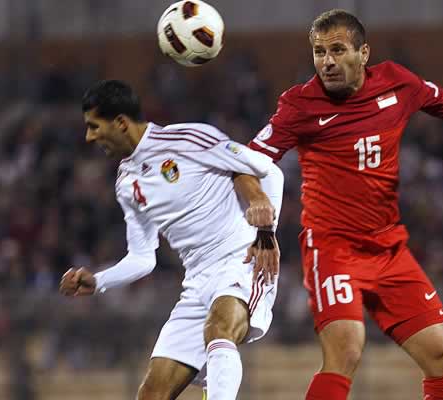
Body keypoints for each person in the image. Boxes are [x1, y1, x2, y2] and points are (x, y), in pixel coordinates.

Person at [247, 9, 443, 400]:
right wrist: (258, 202)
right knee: (347, 347)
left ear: (364, 53)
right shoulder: (299, 105)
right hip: (332, 249)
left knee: (441, 354)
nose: (326, 62)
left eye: (337, 50)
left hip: (387, 249)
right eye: (318, 52)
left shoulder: (397, 82)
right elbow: (247, 162)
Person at [58, 80, 284, 400]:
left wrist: (266, 233)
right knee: (152, 393)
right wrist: (99, 281)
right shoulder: (126, 183)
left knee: (219, 329)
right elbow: (142, 257)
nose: (89, 136)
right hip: (196, 282)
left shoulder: (189, 138)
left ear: (121, 123)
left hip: (241, 260)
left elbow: (269, 172)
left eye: (94, 126)